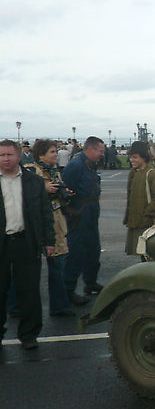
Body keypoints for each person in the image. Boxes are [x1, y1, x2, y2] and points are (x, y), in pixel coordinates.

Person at [1, 140, 55, 350]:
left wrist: (49, 241)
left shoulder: (33, 181)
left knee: (29, 291)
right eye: (1, 155)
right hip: (2, 243)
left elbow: (45, 213)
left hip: (26, 242)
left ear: (18, 156)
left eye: (9, 155)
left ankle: (29, 334)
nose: (5, 159)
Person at [24, 139, 76, 316]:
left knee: (58, 263)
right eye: (52, 152)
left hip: (56, 220)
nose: (56, 154)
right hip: (40, 224)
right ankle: (18, 306)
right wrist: (44, 188)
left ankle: (60, 304)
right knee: (28, 267)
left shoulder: (54, 172)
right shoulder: (33, 171)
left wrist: (63, 192)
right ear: (41, 155)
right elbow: (27, 196)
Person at [62, 135, 105, 302]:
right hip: (80, 212)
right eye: (100, 151)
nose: (102, 154)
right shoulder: (76, 165)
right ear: (91, 149)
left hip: (91, 210)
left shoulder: (89, 165)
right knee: (76, 252)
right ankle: (68, 289)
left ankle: (90, 282)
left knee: (93, 249)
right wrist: (72, 211)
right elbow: (66, 190)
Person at [124, 141, 155, 258]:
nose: (131, 160)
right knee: (143, 255)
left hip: (147, 223)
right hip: (137, 221)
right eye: (131, 157)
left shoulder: (151, 173)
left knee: (152, 255)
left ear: (144, 157)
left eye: (135, 157)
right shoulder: (134, 172)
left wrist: (147, 213)